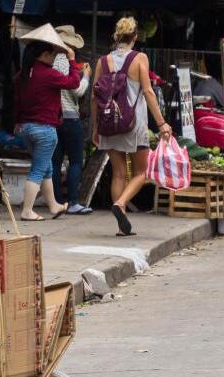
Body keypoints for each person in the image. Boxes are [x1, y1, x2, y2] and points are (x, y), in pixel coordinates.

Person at [90, 16, 171, 236]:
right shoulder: (139, 59)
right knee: (141, 173)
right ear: (135, 36)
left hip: (108, 124)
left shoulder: (103, 61)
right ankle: (121, 203)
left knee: (118, 174)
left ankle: (121, 224)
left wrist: (95, 128)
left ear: (116, 36)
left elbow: (94, 97)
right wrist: (162, 122)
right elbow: (148, 91)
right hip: (133, 124)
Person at [14, 23, 81, 221]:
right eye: (52, 55)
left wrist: (18, 122)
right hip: (44, 129)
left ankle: (53, 205)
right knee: (38, 168)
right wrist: (72, 61)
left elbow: (17, 103)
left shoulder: (22, 75)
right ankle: (27, 210)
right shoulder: (48, 74)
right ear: (43, 55)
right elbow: (74, 83)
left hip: (25, 127)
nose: (53, 58)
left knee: (46, 167)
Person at [52, 25, 93, 215]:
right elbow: (77, 90)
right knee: (76, 161)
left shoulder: (50, 60)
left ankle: (58, 201)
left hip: (54, 118)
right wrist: (86, 77)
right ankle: (73, 201)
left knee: (55, 161)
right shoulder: (67, 62)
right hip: (69, 118)